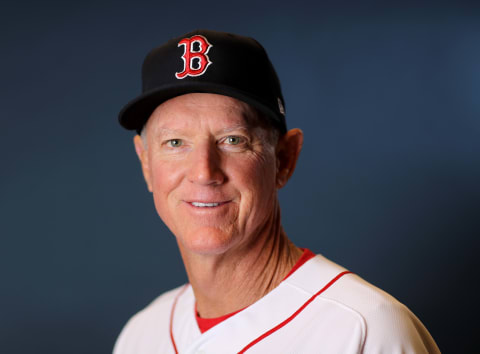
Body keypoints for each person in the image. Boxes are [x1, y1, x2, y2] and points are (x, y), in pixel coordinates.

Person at [113, 29, 440, 354]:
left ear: (284, 159)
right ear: (146, 164)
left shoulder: (366, 329)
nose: (204, 172)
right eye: (175, 143)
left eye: (233, 140)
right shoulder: (142, 335)